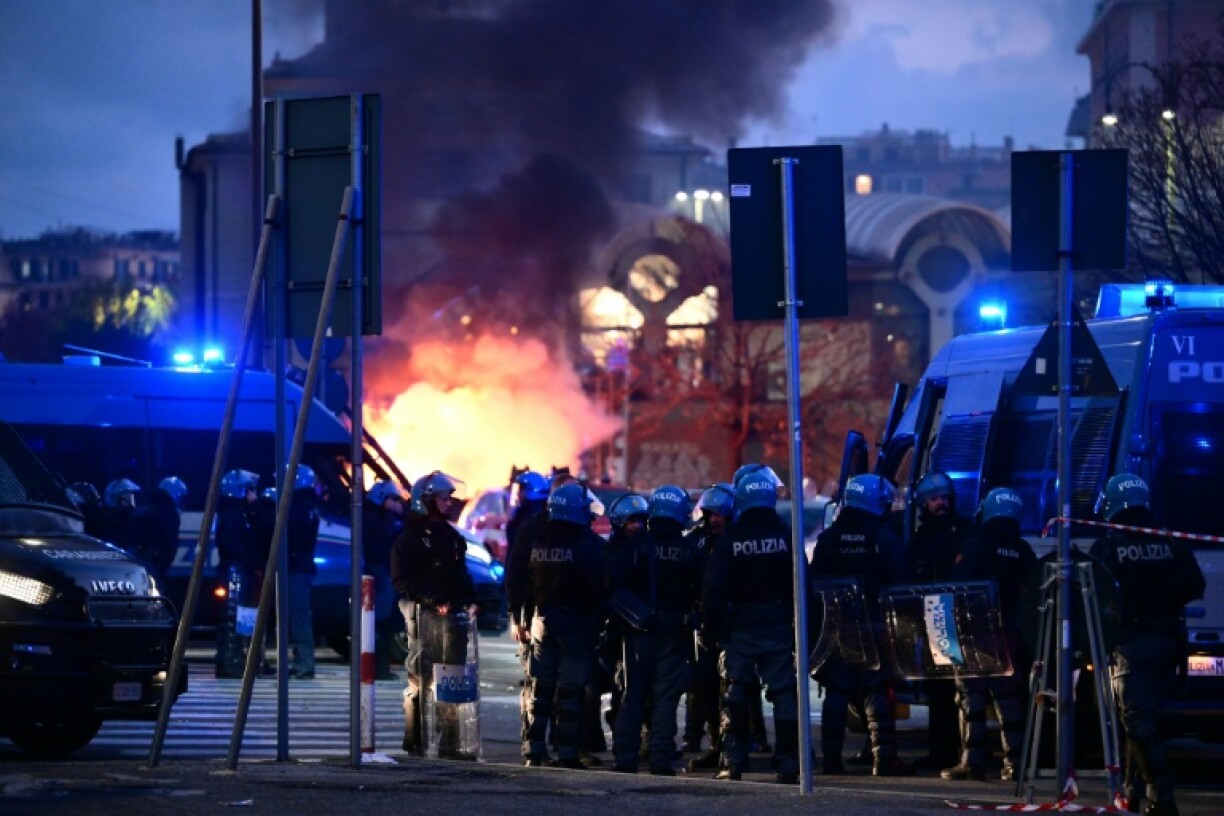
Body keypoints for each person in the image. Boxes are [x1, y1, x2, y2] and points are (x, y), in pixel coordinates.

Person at [1089, 474, 1205, 816]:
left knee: (1138, 723)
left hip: (1130, 645)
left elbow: (1095, 596)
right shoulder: (1170, 542)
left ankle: (1161, 797)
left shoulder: (1108, 547)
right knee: (1141, 720)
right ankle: (1132, 791)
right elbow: (1195, 585)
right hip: (1168, 642)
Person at [810, 473, 913, 777]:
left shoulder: (829, 538)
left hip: (837, 627)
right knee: (877, 691)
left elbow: (816, 582)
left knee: (837, 692)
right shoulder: (883, 537)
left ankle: (831, 761)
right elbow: (901, 581)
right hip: (875, 626)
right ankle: (884, 761)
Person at [703, 466, 799, 784]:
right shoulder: (785, 534)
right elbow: (801, 583)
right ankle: (788, 763)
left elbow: (713, 589)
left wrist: (717, 630)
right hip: (778, 625)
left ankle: (733, 762)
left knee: (735, 693)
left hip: (740, 627)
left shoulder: (731, 537)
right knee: (784, 693)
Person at [941, 486, 1036, 782]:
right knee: (1009, 699)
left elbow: (956, 588)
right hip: (1009, 636)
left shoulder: (975, 545)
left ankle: (972, 762)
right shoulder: (1023, 551)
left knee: (972, 699)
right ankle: (1015, 763)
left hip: (975, 634)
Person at [610, 484, 700, 776]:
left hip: (637, 632)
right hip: (673, 633)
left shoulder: (635, 545)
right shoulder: (688, 549)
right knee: (666, 698)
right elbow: (702, 590)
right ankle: (660, 758)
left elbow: (611, 582)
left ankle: (625, 758)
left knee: (632, 694)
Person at [518, 482, 607, 768]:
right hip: (576, 625)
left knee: (541, 689)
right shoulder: (588, 545)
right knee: (570, 692)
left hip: (543, 621)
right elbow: (599, 587)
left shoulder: (540, 542)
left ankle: (533, 750)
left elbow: (527, 584)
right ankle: (567, 754)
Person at [391, 470, 477, 757]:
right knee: (422, 677)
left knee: (451, 678)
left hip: (452, 618)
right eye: (443, 498)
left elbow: (460, 575)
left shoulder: (451, 537)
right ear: (426, 500)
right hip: (423, 615)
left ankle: (449, 742)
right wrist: (429, 599)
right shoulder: (410, 539)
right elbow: (401, 580)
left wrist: (470, 600)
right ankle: (418, 740)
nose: (449, 503)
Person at [903, 471, 968, 773]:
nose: (941, 503)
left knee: (962, 693)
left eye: (944, 498)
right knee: (938, 693)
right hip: (931, 622)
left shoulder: (964, 533)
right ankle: (940, 752)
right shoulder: (919, 541)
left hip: (960, 621)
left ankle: (962, 754)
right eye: (934, 499)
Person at [684, 482, 734, 772]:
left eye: (720, 514)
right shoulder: (696, 541)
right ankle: (716, 746)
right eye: (710, 514)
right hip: (703, 625)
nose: (714, 519)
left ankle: (733, 748)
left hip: (734, 625)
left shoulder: (737, 539)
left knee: (735, 690)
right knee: (707, 687)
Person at [215, 469, 263, 678]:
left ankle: (236, 660)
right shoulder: (234, 513)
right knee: (233, 617)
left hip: (238, 570)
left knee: (239, 618)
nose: (251, 493)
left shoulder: (236, 512)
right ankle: (230, 661)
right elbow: (233, 544)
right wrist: (248, 559)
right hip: (235, 570)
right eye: (248, 489)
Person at [364, 479, 407, 680]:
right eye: (393, 499)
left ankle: (381, 667)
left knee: (383, 622)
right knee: (381, 622)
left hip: (382, 572)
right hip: (379, 573)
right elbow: (386, 537)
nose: (397, 503)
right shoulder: (375, 517)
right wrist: (396, 516)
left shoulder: (377, 515)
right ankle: (380, 669)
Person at [286, 465, 321, 680]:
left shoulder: (300, 506)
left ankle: (304, 664)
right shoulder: (308, 505)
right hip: (301, 566)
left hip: (297, 567)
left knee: (299, 616)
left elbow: (292, 534)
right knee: (298, 616)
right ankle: (302, 661)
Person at [126, 476, 187, 583]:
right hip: (152, 565)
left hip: (132, 563)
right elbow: (170, 544)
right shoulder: (169, 514)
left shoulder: (141, 511)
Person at [87, 477, 141, 545]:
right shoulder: (103, 521)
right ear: (113, 498)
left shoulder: (132, 520)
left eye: (131, 498)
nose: (130, 502)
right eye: (125, 498)